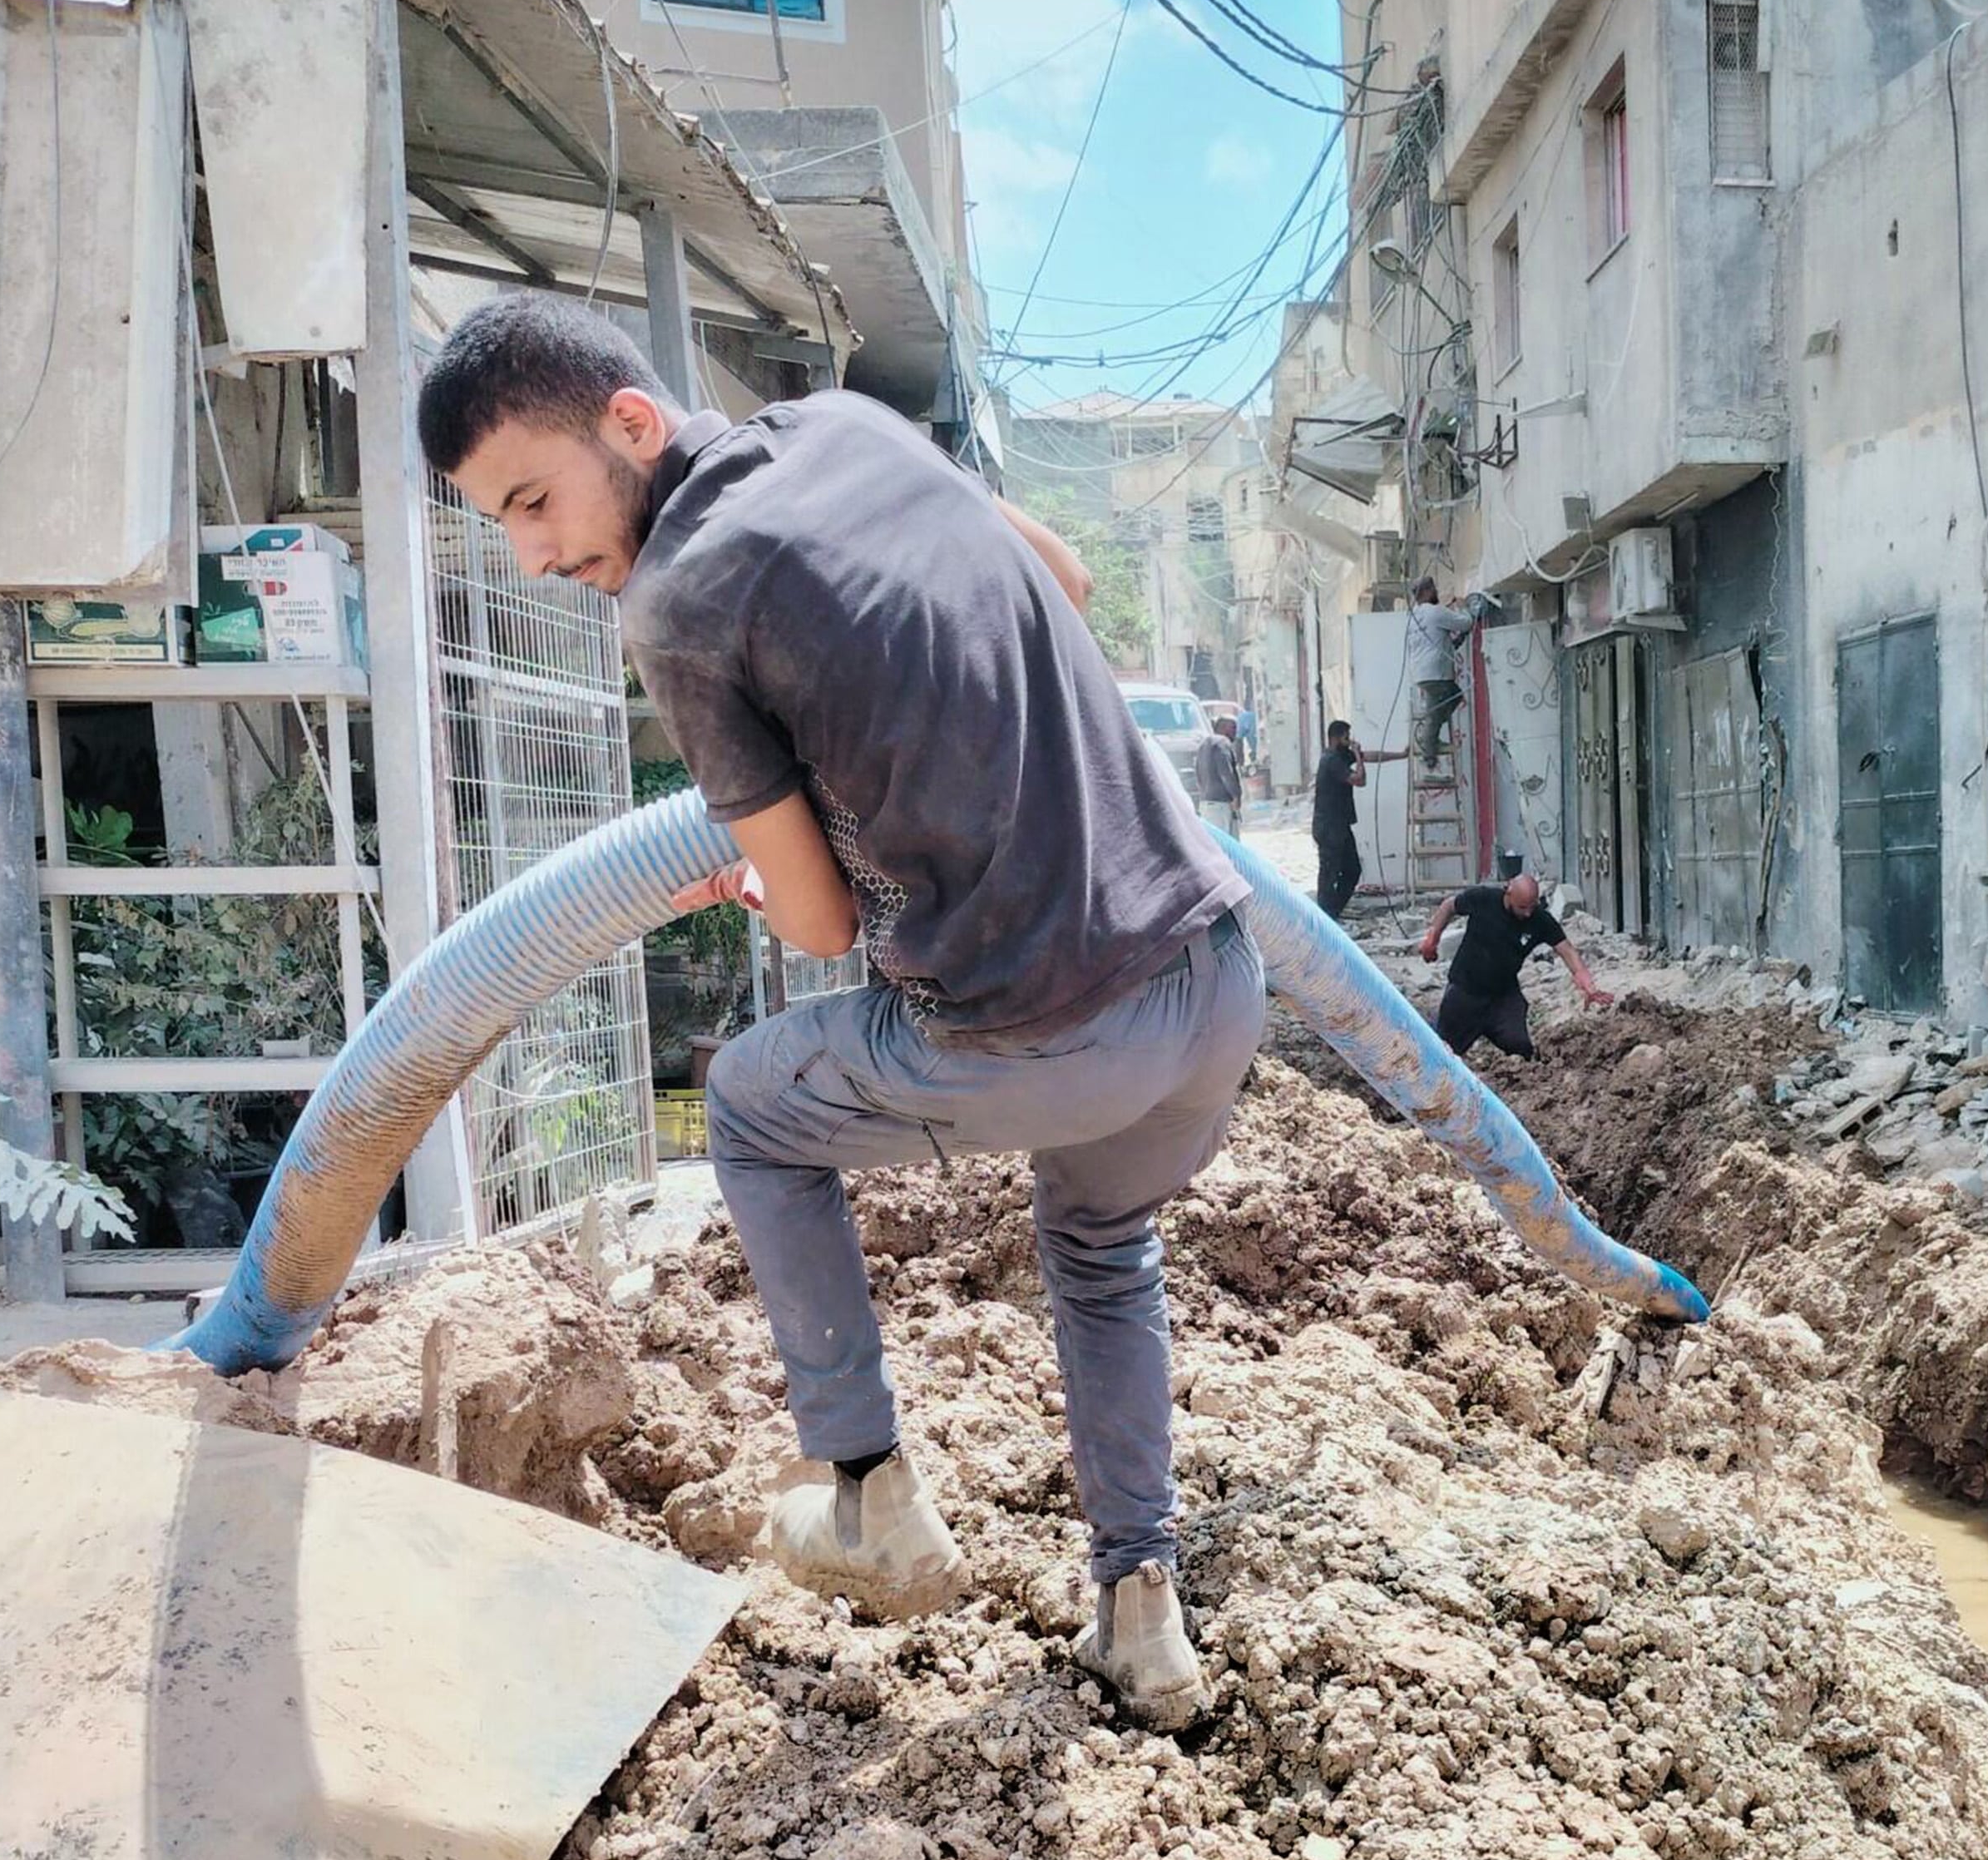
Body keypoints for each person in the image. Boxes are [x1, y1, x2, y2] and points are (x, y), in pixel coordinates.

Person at [417, 293, 1254, 1731]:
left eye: (535, 499)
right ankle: (1141, 1608)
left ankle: (860, 1487)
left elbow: (810, 923)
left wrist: (787, 867)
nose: (535, 550)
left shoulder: (675, 603)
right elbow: (1058, 578)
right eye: (503, 521)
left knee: (747, 1101)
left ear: (632, 422)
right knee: (1100, 1241)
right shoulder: (852, 427)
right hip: (1215, 981)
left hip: (1046, 1030)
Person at [1417, 868, 1601, 1061]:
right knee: (1442, 1053)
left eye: (1532, 906)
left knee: (1521, 1049)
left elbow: (1566, 949)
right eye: (1522, 907)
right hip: (1466, 991)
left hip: (1503, 997)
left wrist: (1584, 978)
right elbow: (1449, 906)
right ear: (1508, 892)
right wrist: (1433, 938)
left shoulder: (1539, 920)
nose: (1528, 913)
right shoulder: (1484, 899)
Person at [1402, 576, 1508, 768]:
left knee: (1450, 700)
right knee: (1440, 709)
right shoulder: (1434, 612)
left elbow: (1435, 642)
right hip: (1436, 673)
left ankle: (1430, 738)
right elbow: (1465, 623)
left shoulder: (1412, 617)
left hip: (1421, 672)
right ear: (1426, 592)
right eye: (1433, 589)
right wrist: (1462, 607)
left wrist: (1455, 642)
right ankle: (1429, 751)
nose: (1436, 592)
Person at [1312, 715, 1403, 918]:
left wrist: (1401, 756)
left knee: (1352, 869)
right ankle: (1324, 916)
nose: (1350, 741)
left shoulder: (1341, 756)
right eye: (1346, 737)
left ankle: (1332, 911)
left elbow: (1371, 756)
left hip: (1340, 825)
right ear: (1336, 738)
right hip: (1329, 826)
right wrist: (1358, 757)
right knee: (1329, 872)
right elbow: (1360, 780)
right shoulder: (1332, 760)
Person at [1193, 710, 1245, 837]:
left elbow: (1197, 774)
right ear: (1224, 728)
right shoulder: (1223, 743)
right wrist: (1235, 796)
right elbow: (1226, 772)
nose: (1236, 732)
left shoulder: (1204, 744)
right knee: (1228, 849)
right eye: (1233, 728)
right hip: (1221, 806)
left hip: (1206, 804)